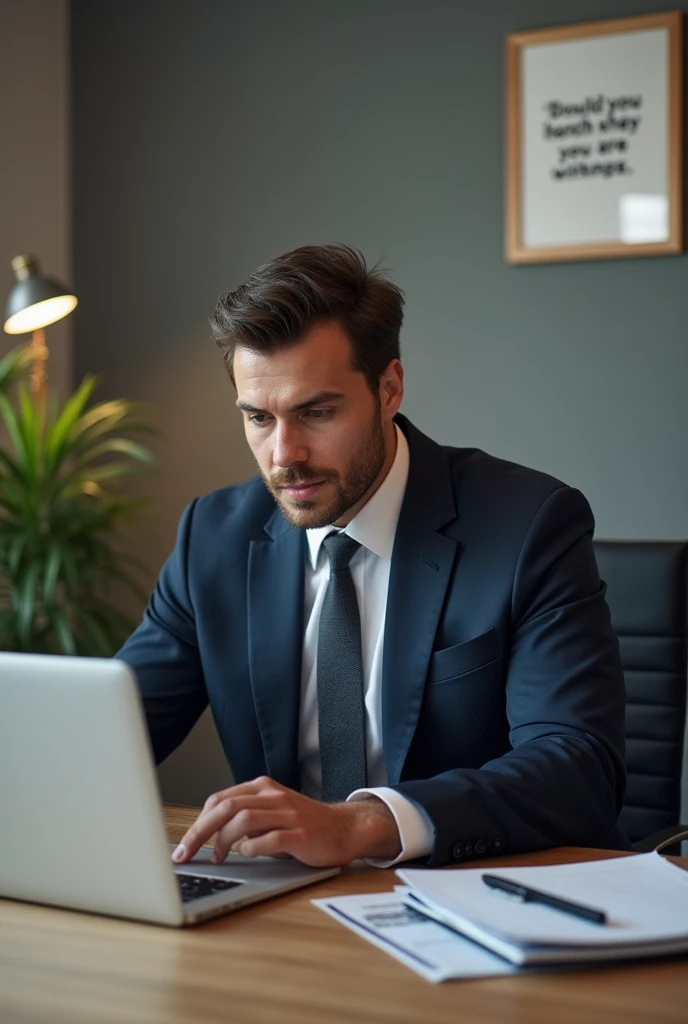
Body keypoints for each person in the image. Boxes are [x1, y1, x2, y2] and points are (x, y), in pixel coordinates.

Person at [116, 243, 628, 870]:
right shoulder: (214, 538)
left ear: (389, 388)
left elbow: (578, 767)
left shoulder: (529, 526)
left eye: (317, 412)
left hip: (469, 901)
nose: (285, 455)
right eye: (258, 418)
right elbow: (110, 733)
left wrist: (362, 824)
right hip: (280, 906)